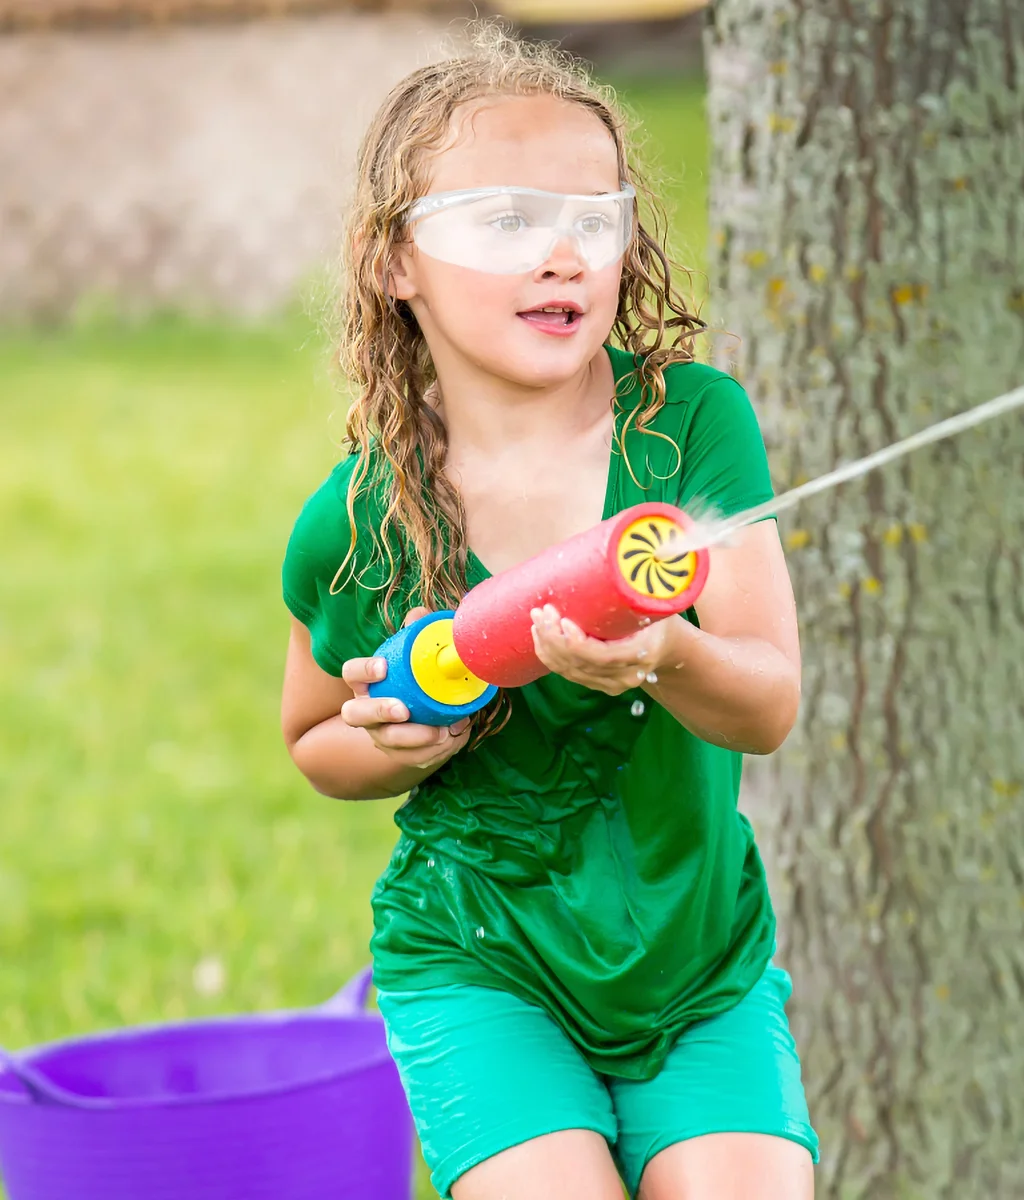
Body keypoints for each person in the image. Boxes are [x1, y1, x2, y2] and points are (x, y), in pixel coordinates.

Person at [280, 21, 818, 1200]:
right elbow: (313, 738)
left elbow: (770, 704)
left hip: (697, 964)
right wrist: (395, 741)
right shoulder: (361, 517)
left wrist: (668, 656)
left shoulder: (687, 428)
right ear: (394, 263)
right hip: (478, 960)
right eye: (506, 223)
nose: (562, 255)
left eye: (593, 219)